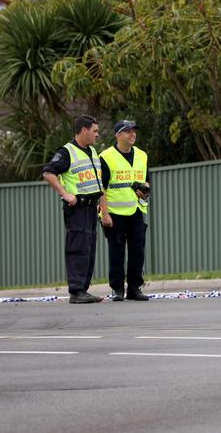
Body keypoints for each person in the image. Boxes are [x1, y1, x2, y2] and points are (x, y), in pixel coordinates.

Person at [42, 115, 104, 304]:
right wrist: (64, 194)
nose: (97, 135)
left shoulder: (92, 151)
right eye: (94, 131)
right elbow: (48, 172)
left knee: (89, 248)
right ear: (83, 130)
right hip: (77, 208)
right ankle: (76, 291)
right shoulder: (67, 152)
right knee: (78, 248)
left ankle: (83, 289)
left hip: (91, 208)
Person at [99, 120, 150, 301]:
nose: (132, 134)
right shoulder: (106, 157)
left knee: (138, 251)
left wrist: (144, 191)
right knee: (117, 251)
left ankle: (134, 288)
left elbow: (146, 180)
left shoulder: (142, 155)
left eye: (134, 131)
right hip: (114, 212)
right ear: (118, 135)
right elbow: (101, 188)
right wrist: (104, 214)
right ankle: (118, 289)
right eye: (127, 131)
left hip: (136, 209)